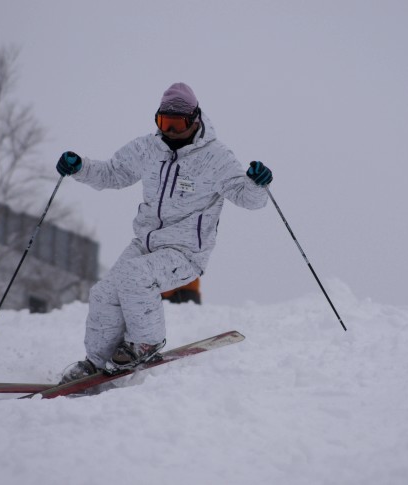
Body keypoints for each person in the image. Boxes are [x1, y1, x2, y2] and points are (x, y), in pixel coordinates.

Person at [56, 82, 273, 383]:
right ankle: (95, 361)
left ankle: (146, 341)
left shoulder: (216, 157)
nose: (169, 131)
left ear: (195, 120)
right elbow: (113, 173)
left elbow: (249, 199)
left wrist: (257, 183)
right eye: (163, 122)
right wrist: (80, 167)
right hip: (145, 245)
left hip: (185, 252)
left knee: (135, 276)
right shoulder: (147, 148)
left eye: (176, 124)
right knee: (104, 292)